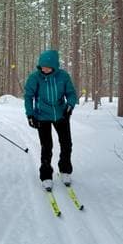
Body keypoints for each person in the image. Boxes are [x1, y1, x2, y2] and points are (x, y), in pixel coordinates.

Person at [24, 49, 77, 190]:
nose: (44, 69)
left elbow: (71, 93)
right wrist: (30, 114)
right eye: (42, 66)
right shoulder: (35, 77)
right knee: (46, 146)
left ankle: (65, 170)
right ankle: (46, 175)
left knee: (66, 144)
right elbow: (28, 96)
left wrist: (70, 106)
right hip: (42, 116)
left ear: (54, 66)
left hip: (61, 115)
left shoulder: (63, 76)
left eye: (47, 67)